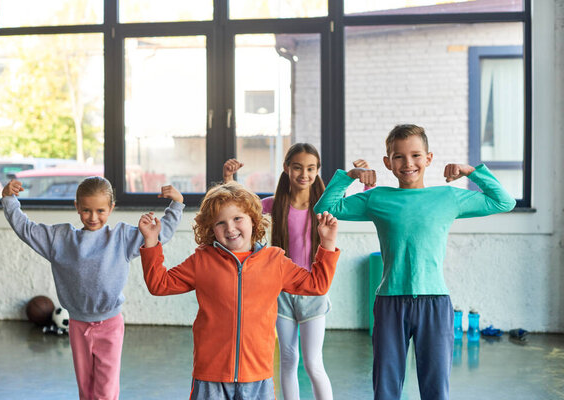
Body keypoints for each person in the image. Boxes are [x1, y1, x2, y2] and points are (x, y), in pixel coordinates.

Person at [313, 124, 516, 400]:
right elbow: (325, 208)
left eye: (416, 155)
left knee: (435, 389)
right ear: (388, 162)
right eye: (399, 157)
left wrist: (472, 172)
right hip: (389, 303)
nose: (408, 163)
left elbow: (503, 202)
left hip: (435, 302)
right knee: (386, 387)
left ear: (429, 158)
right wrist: (350, 176)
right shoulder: (377, 197)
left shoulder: (447, 197)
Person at [137, 181, 340, 400]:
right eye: (220, 223)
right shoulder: (202, 260)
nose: (230, 228)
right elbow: (159, 284)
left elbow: (317, 285)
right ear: (211, 229)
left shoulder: (275, 261)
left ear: (253, 220)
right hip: (210, 376)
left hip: (258, 376)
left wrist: (327, 243)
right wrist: (151, 241)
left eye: (237, 219)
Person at [1, 177, 184, 400]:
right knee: (86, 388)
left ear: (111, 208)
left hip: (110, 325)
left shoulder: (122, 238)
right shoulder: (60, 239)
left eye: (100, 210)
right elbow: (26, 229)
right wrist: (9, 200)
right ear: (77, 207)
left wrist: (176, 205)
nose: (93, 217)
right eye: (86, 210)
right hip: (78, 324)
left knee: (105, 390)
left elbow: (159, 235)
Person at [222, 144, 368, 400]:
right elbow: (240, 208)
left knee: (313, 363)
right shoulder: (275, 204)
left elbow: (366, 205)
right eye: (298, 167)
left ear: (317, 171)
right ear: (286, 168)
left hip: (313, 293)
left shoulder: (327, 205)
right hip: (281, 293)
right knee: (288, 361)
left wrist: (365, 181)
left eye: (311, 168)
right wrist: (229, 180)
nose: (304, 174)